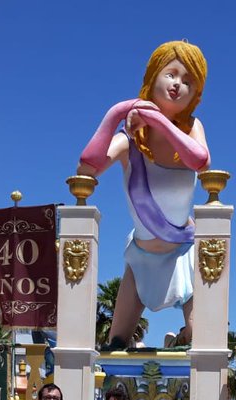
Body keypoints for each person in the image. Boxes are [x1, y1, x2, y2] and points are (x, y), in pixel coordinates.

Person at [76, 40, 210, 350]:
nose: (178, 84)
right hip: (141, 257)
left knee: (201, 344)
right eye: (172, 74)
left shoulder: (192, 128)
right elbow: (87, 168)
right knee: (116, 343)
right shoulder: (131, 141)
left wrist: (158, 120)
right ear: (153, 77)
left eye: (188, 81)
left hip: (184, 254)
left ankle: (180, 338)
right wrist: (115, 114)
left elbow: (200, 161)